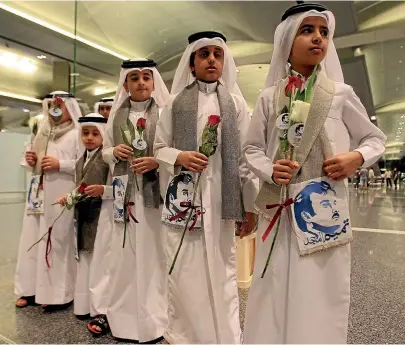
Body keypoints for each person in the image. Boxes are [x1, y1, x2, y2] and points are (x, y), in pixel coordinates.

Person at [242, 4, 386, 343]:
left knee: (322, 286)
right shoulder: (268, 98)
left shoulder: (340, 94)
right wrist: (269, 169)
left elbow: (374, 139)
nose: (318, 38)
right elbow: (251, 150)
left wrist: (356, 157)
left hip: (324, 210)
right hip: (278, 207)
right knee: (273, 284)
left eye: (323, 32)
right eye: (307, 31)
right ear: (287, 41)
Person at [153, 31, 258, 344]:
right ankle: (186, 336)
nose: (211, 59)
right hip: (185, 201)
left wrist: (248, 206)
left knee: (224, 270)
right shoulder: (174, 103)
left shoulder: (236, 105)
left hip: (221, 203)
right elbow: (158, 148)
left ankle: (224, 337)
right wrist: (180, 156)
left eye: (217, 54)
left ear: (224, 62)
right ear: (192, 62)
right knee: (186, 270)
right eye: (204, 54)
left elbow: (243, 159)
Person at [102, 59, 170, 342]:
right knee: (124, 256)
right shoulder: (115, 115)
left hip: (155, 197)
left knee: (154, 256)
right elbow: (105, 149)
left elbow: (172, 150)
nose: (141, 82)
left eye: (145, 77)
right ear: (125, 84)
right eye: (134, 78)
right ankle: (123, 322)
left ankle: (156, 322)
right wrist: (113, 152)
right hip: (124, 193)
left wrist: (157, 161)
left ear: (153, 82)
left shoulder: (166, 113)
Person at [15, 91, 82, 310]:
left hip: (61, 194)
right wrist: (29, 158)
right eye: (52, 105)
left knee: (57, 242)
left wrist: (59, 164)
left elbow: (83, 164)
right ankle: (28, 290)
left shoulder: (77, 133)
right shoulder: (43, 131)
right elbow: (30, 157)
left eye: (60, 105)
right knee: (31, 240)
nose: (55, 109)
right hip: (37, 195)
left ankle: (57, 295)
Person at [55, 113, 113, 329]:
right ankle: (85, 306)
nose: (89, 137)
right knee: (86, 261)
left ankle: (102, 311)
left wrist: (103, 191)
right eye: (85, 133)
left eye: (95, 133)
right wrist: (68, 197)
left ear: (103, 135)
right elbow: (81, 187)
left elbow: (118, 187)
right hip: (84, 217)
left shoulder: (107, 158)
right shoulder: (82, 159)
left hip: (102, 217)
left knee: (101, 266)